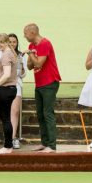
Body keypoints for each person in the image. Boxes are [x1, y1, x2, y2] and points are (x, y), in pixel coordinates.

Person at [24, 23, 62, 153]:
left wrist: (31, 54)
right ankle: (45, 143)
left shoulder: (45, 43)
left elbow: (39, 63)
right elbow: (30, 66)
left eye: (26, 33)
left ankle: (52, 145)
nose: (24, 36)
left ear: (33, 33)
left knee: (48, 113)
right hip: (39, 84)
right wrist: (31, 54)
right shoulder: (31, 46)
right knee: (40, 115)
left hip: (50, 82)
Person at [0, 34, 18, 154]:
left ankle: (7, 146)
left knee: (5, 118)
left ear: (7, 42)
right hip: (10, 88)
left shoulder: (6, 55)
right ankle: (8, 145)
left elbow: (6, 74)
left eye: (1, 42)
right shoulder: (10, 53)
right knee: (6, 118)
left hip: (5, 89)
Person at [4, 34, 27, 149]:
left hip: (16, 85)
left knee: (15, 111)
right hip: (4, 85)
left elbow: (23, 74)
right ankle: (7, 138)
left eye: (14, 42)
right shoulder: (1, 53)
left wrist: (21, 62)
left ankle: (13, 138)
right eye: (10, 41)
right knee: (6, 113)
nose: (12, 44)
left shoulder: (20, 55)